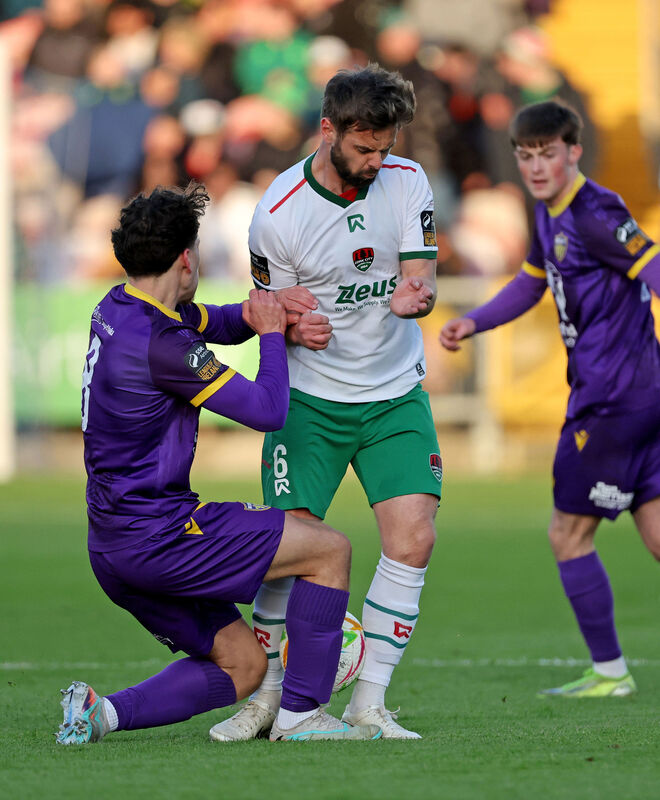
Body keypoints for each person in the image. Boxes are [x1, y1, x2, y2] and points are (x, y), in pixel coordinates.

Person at [56, 183, 382, 745]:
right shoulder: (164, 345)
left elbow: (212, 322)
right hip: (162, 537)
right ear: (187, 258)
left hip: (111, 547)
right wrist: (275, 338)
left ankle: (98, 714)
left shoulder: (117, 306)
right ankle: (302, 715)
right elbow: (267, 409)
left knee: (243, 666)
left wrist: (266, 312)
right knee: (329, 549)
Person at [210, 64, 442, 742]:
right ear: (327, 129)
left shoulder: (407, 179)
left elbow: (419, 274)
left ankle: (369, 704)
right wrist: (292, 325)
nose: (376, 161)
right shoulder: (278, 214)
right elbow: (266, 309)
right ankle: (269, 699)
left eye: (385, 146)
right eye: (364, 147)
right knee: (290, 549)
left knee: (415, 538)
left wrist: (415, 296)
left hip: (394, 393)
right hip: (310, 403)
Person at [440, 100, 660, 697]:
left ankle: (610, 673)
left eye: (547, 155)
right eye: (526, 155)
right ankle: (609, 672)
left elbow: (651, 262)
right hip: (636, 394)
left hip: (611, 401)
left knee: (567, 534)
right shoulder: (547, 211)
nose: (537, 167)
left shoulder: (594, 210)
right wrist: (475, 323)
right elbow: (531, 284)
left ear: (573, 152)